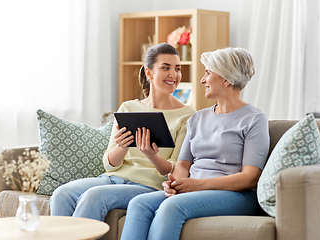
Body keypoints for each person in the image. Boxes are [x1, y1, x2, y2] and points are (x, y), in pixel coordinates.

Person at [120, 47, 270, 240]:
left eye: (208, 73)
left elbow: (250, 177)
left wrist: (198, 185)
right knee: (139, 204)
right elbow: (182, 165)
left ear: (226, 79)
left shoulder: (254, 119)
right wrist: (175, 184)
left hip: (235, 194)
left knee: (172, 206)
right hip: (194, 189)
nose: (202, 80)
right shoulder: (197, 118)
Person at [49, 43, 196, 221]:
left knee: (94, 197)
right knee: (61, 193)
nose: (174, 75)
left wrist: (151, 155)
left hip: (149, 186)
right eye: (166, 68)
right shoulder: (128, 107)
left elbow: (175, 170)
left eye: (177, 69)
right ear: (149, 73)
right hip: (112, 179)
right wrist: (122, 147)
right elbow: (109, 164)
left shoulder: (187, 115)